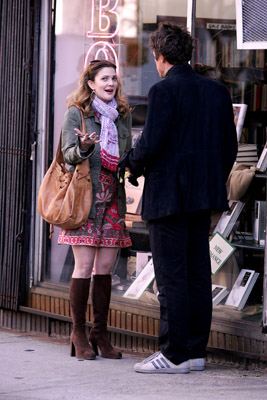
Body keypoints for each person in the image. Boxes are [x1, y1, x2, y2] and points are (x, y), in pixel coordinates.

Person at [118, 22, 237, 374]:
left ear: (160, 56)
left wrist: (131, 166)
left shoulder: (163, 92)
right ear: (189, 54)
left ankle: (173, 354)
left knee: (171, 278)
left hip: (168, 197)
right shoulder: (217, 92)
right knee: (199, 275)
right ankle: (196, 352)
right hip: (203, 197)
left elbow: (150, 144)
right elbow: (228, 147)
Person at [58, 59, 132, 360]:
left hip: (112, 196)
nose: (110, 83)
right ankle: (78, 331)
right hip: (86, 198)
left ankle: (100, 332)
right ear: (91, 83)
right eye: (104, 79)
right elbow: (68, 155)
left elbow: (126, 154)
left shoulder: (122, 116)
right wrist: (85, 147)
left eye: (114, 78)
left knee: (105, 270)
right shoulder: (76, 114)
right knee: (84, 268)